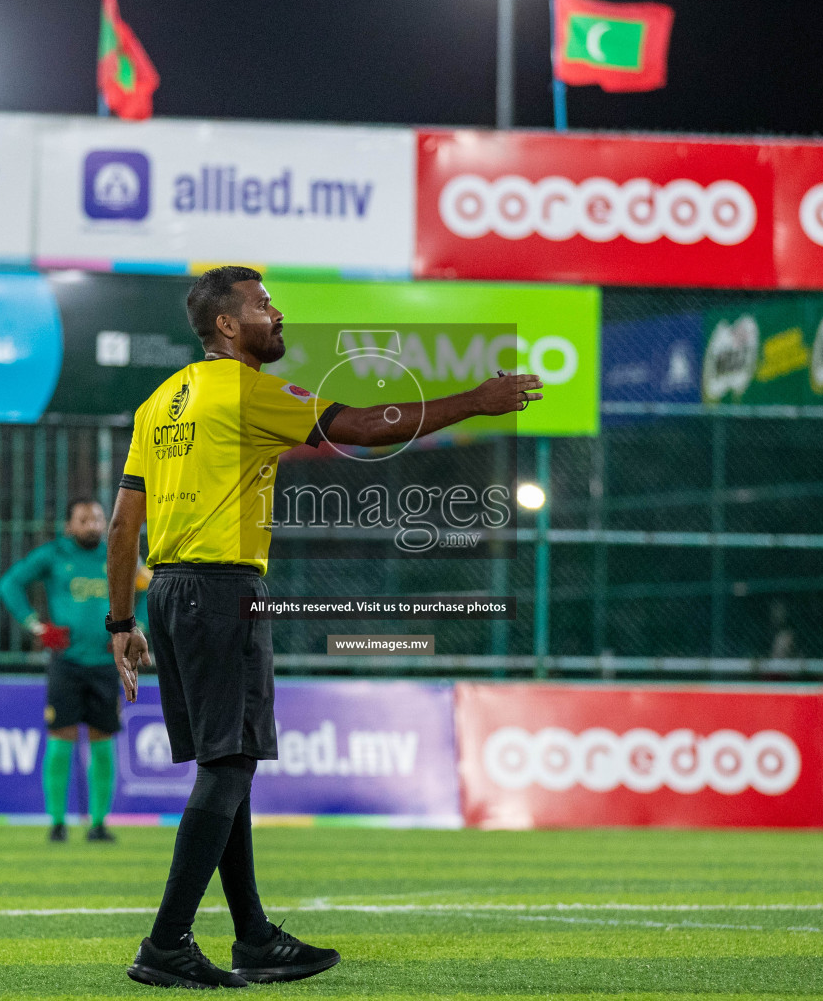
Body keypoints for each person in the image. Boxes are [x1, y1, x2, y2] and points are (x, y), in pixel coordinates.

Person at [105, 265, 542, 989]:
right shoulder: (244, 390)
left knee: (226, 763)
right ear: (225, 325)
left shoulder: (161, 401)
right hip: (222, 590)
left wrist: (120, 618)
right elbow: (368, 428)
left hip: (170, 590)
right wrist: (481, 400)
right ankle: (166, 944)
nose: (277, 316)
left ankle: (251, 939)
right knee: (230, 764)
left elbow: (125, 523)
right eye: (263, 305)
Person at [0, 497, 119, 844]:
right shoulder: (54, 555)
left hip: (106, 663)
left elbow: (147, 586)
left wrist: (132, 627)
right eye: (84, 519)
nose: (93, 525)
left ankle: (98, 824)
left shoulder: (117, 555)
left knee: (103, 742)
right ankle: (57, 823)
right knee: (61, 740)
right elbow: (9, 584)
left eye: (97, 518)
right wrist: (36, 627)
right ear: (70, 526)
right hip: (66, 664)